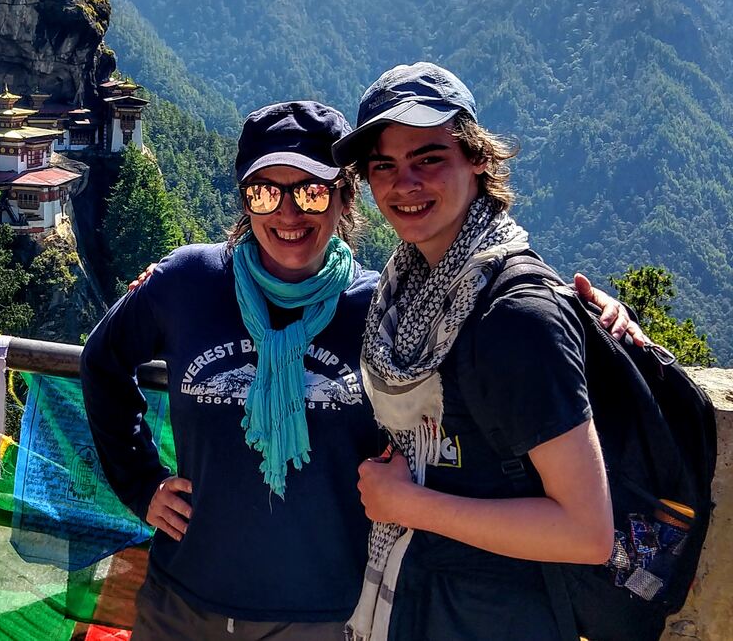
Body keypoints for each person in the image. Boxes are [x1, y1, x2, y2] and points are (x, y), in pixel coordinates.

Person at [81, 98, 637, 641]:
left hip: (328, 611)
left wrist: (596, 317)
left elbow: (491, 303)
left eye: (311, 191)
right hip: (183, 599)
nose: (288, 212)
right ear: (246, 202)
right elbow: (103, 360)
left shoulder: (387, 310)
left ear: (346, 199)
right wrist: (141, 482)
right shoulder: (187, 282)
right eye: (265, 191)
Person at [330, 62, 614, 641]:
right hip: (425, 605)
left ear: (478, 158)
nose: (403, 184)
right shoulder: (402, 295)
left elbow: (586, 532)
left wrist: (408, 505)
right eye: (383, 166)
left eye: (428, 158)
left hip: (499, 617)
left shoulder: (515, 318)